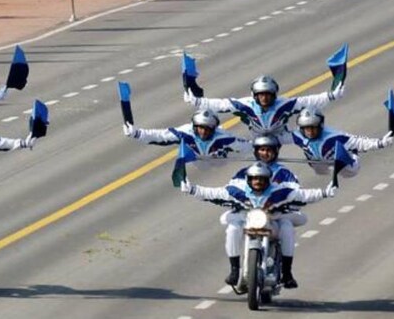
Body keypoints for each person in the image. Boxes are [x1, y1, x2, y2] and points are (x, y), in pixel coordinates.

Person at [180, 162, 334, 288]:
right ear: (248, 179)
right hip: (248, 222)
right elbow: (213, 193)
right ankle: (234, 270)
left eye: (262, 179)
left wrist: (325, 192)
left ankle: (287, 273)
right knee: (232, 228)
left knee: (287, 229)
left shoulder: (279, 192)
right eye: (254, 178)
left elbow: (304, 195)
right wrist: (192, 189)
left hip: (271, 224)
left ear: (269, 180)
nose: (258, 182)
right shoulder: (237, 191)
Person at [185, 74, 344, 143]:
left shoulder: (284, 104)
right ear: (255, 95)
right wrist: (196, 101)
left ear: (275, 94)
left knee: (311, 132)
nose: (265, 98)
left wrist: (331, 95)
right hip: (256, 140)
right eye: (261, 95)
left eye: (268, 94)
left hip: (281, 136)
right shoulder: (245, 105)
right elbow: (220, 105)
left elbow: (309, 101)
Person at [122, 109, 250, 166]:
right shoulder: (185, 132)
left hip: (218, 163)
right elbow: (160, 136)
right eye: (200, 127)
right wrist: (136, 133)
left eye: (207, 128)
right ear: (194, 126)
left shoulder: (223, 137)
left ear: (214, 128)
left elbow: (246, 146)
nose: (203, 131)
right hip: (194, 163)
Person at [291, 108, 393, 177]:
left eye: (313, 128)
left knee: (350, 171)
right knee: (319, 170)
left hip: (347, 166)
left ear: (320, 126)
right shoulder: (297, 136)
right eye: (307, 129)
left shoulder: (334, 136)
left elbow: (359, 142)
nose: (310, 132)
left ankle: (349, 154)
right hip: (321, 163)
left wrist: (380, 143)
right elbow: (279, 138)